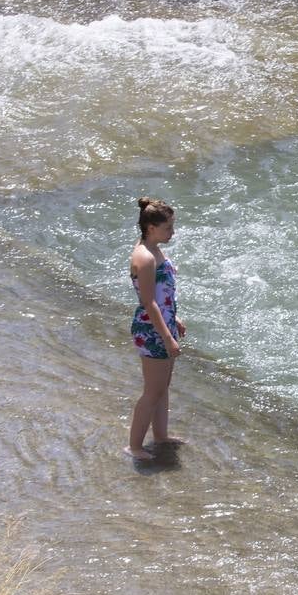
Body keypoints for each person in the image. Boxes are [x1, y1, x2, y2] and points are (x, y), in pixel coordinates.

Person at [124, 197, 186, 460]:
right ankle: (134, 446)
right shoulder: (145, 257)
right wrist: (167, 337)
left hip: (164, 325)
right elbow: (149, 303)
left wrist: (176, 319)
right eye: (168, 228)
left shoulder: (154, 249)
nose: (172, 232)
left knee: (162, 388)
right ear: (151, 228)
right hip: (152, 332)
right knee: (152, 392)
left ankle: (160, 435)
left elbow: (164, 294)